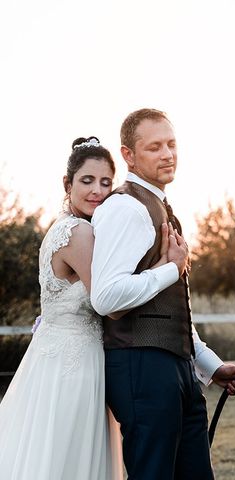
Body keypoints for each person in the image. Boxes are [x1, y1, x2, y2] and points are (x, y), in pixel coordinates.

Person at [90, 108, 235, 480]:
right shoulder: (124, 207)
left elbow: (173, 309)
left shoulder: (162, 207)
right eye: (154, 147)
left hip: (178, 369)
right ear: (128, 155)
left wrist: (212, 367)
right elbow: (106, 297)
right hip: (141, 368)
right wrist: (170, 270)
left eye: (172, 144)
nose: (168, 154)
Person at [0, 137, 132, 479]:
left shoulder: (58, 229)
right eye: (87, 181)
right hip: (75, 364)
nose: (97, 191)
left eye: (106, 182)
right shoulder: (79, 232)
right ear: (67, 184)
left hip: (50, 356)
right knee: (70, 455)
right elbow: (110, 303)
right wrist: (165, 269)